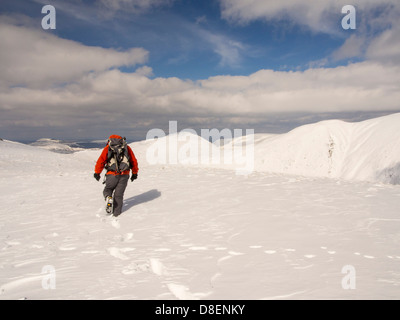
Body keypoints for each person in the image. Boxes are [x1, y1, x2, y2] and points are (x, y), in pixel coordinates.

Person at [94, 135, 139, 216]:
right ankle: (116, 215)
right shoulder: (126, 148)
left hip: (112, 174)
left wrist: (97, 172)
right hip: (124, 175)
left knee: (108, 189)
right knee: (118, 195)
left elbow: (101, 161)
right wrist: (134, 173)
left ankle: (108, 197)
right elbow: (133, 161)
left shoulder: (108, 148)